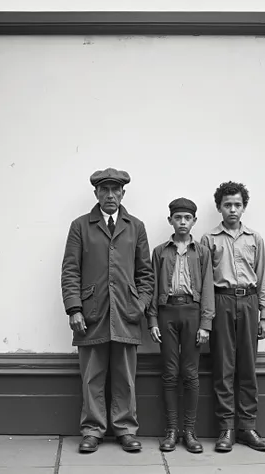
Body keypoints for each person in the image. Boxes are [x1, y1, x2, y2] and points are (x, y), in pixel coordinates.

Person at [61, 168, 154, 453]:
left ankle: (126, 429)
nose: (110, 195)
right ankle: (92, 430)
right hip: (91, 314)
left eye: (116, 190)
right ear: (96, 194)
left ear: (123, 193)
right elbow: (70, 270)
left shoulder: (135, 226)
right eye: (105, 190)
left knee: (125, 375)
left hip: (127, 314)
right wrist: (74, 308)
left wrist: (139, 305)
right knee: (92, 376)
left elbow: (146, 274)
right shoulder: (80, 226)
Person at [200, 181, 265, 453]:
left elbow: (263, 277)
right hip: (221, 301)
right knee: (223, 366)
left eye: (237, 205)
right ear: (219, 207)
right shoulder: (209, 240)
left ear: (244, 208)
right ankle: (226, 428)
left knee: (247, 367)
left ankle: (247, 427)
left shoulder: (255, 239)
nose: (233, 209)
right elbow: (205, 282)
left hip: (250, 302)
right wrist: (207, 318)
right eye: (227, 205)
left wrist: (264, 314)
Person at [147, 198, 215, 454]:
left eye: (187, 218)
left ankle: (189, 430)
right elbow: (152, 287)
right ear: (170, 221)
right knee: (169, 372)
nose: (183, 222)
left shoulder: (202, 253)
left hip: (192, 313)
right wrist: (152, 320)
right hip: (167, 313)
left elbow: (208, 287)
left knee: (190, 373)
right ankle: (172, 430)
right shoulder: (160, 251)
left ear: (194, 221)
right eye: (178, 218)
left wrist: (205, 323)